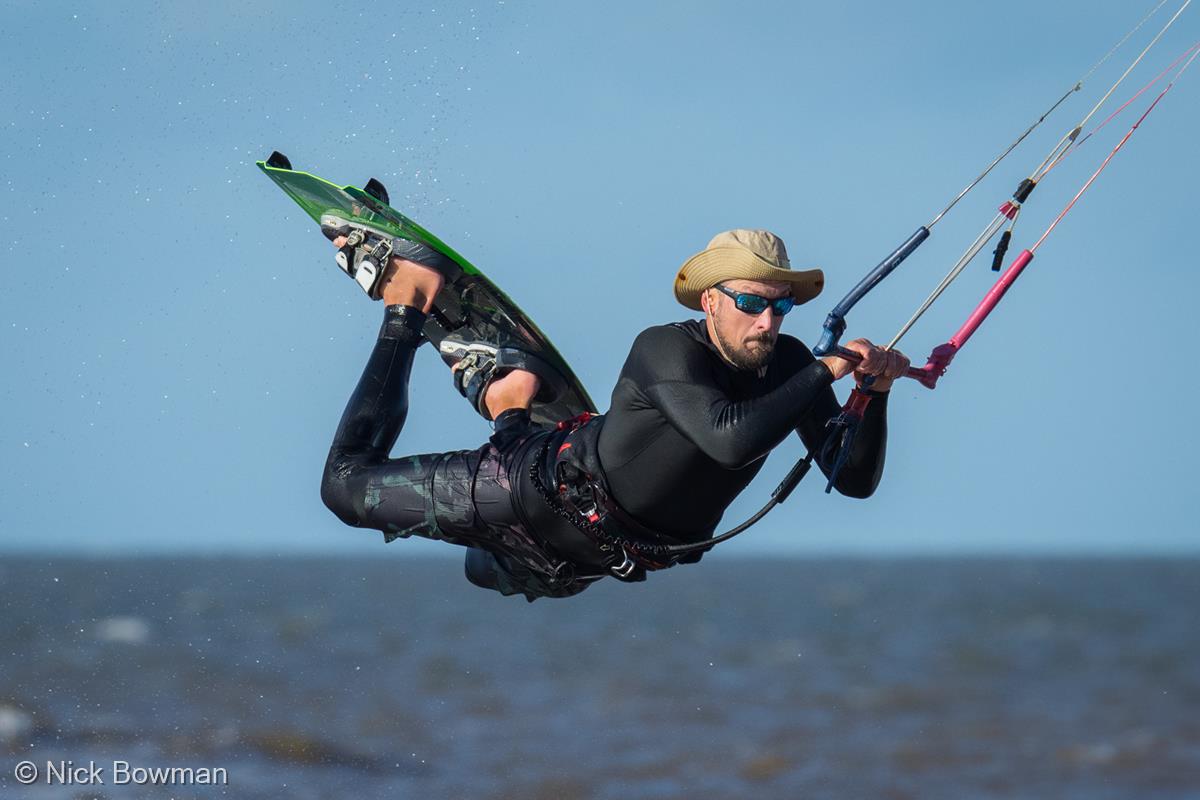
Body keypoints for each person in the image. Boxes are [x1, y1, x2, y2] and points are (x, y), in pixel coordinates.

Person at [319, 229, 911, 601]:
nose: (768, 321)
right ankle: (410, 302)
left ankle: (511, 399)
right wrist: (824, 371)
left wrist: (874, 394)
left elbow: (850, 476)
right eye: (750, 303)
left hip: (588, 559)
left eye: (779, 306)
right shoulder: (667, 348)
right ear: (710, 301)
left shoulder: (785, 365)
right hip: (534, 492)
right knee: (344, 489)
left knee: (481, 570)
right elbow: (727, 440)